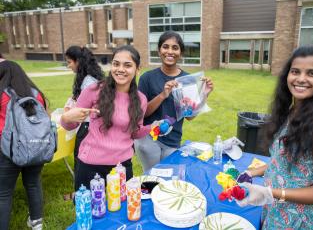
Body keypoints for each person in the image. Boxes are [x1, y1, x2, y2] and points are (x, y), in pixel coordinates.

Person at [236, 45, 313, 229]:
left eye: (312, 73)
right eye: (295, 71)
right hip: (275, 209)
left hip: (299, 219)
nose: (301, 79)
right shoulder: (291, 112)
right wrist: (251, 173)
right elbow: (282, 162)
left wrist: (271, 193)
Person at [61, 45, 151, 191]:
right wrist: (66, 117)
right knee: (88, 211)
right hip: (90, 166)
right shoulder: (93, 90)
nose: (120, 69)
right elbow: (70, 125)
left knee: (122, 210)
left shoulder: (141, 99)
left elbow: (134, 133)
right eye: (116, 64)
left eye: (127, 65)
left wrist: (151, 128)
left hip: (122, 166)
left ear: (137, 69)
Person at [134, 31, 214, 172]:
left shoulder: (187, 80)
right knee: (151, 177)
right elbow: (141, 114)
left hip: (173, 141)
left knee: (169, 180)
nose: (170, 51)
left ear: (181, 53)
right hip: (148, 139)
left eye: (175, 48)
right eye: (165, 47)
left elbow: (189, 116)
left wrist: (204, 95)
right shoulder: (147, 78)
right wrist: (163, 95)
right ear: (159, 50)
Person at [0, 61, 48, 230]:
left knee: (4, 193)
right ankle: (36, 222)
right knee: (34, 183)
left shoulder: (2, 94)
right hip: (36, 147)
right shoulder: (36, 94)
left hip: (8, 150)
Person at [64, 46, 105, 175]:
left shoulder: (88, 82)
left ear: (78, 61)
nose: (68, 66)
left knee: (83, 162)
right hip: (93, 126)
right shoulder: (91, 78)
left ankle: (81, 191)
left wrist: (69, 111)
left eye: (69, 62)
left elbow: (84, 110)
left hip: (88, 127)